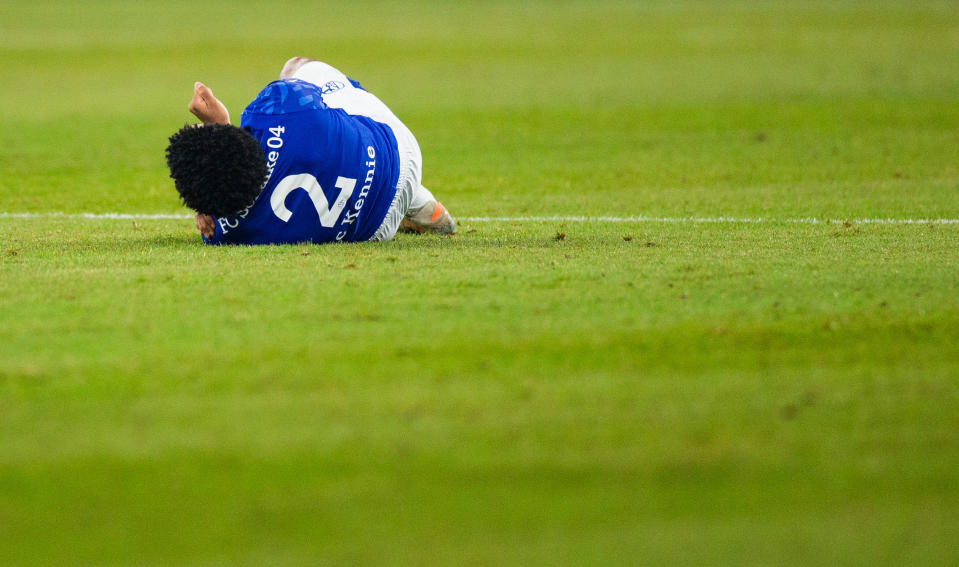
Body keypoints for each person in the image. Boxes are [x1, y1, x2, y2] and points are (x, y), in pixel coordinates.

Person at [165, 57, 455, 245]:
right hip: (398, 154)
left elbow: (216, 190)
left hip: (375, 230)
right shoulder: (277, 108)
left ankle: (422, 204)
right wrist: (222, 124)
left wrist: (206, 207)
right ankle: (415, 197)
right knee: (298, 68)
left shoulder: (224, 232)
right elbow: (298, 104)